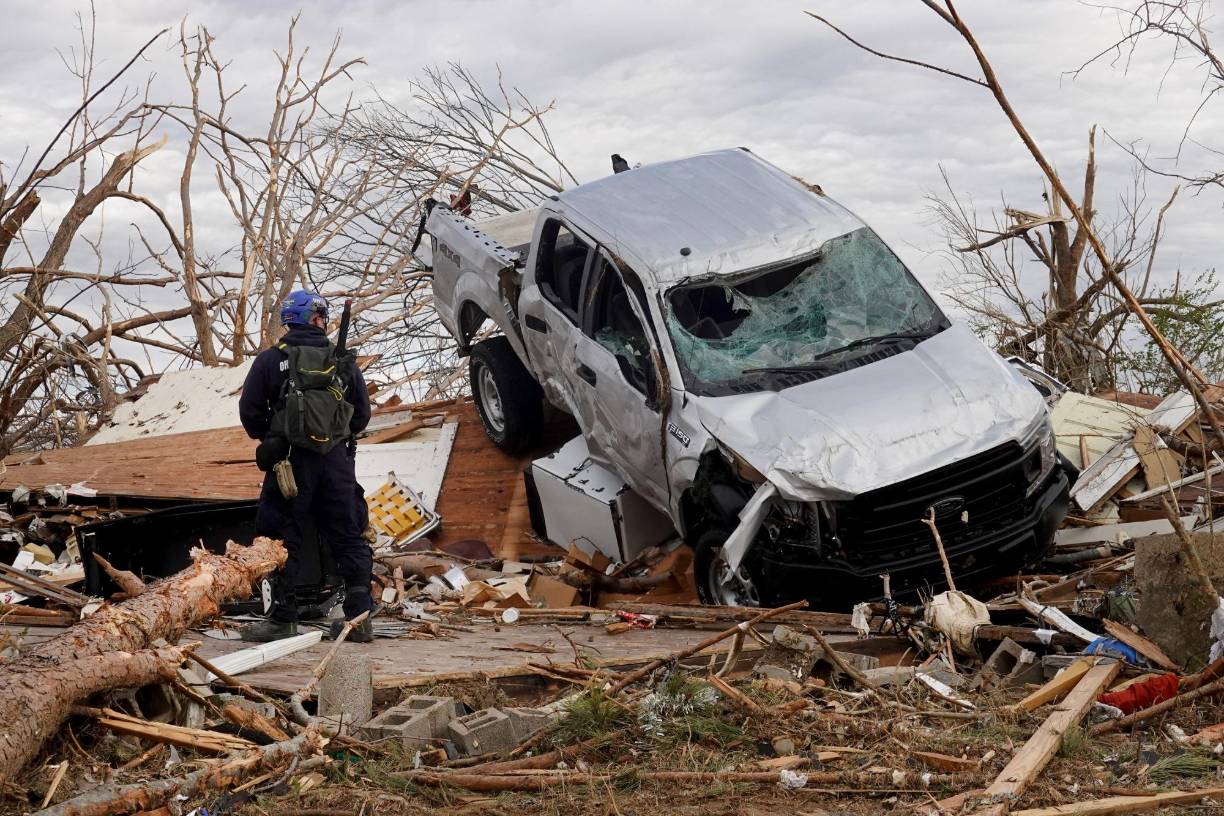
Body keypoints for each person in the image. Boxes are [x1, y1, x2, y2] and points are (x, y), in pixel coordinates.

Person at [238, 290, 374, 642]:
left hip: (290, 462)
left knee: (279, 537)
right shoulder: (342, 361)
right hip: (337, 463)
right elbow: (361, 415)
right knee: (347, 534)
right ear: (318, 320)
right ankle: (358, 619)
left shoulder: (271, 360)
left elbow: (251, 412)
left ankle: (282, 618)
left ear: (289, 320)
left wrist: (273, 436)